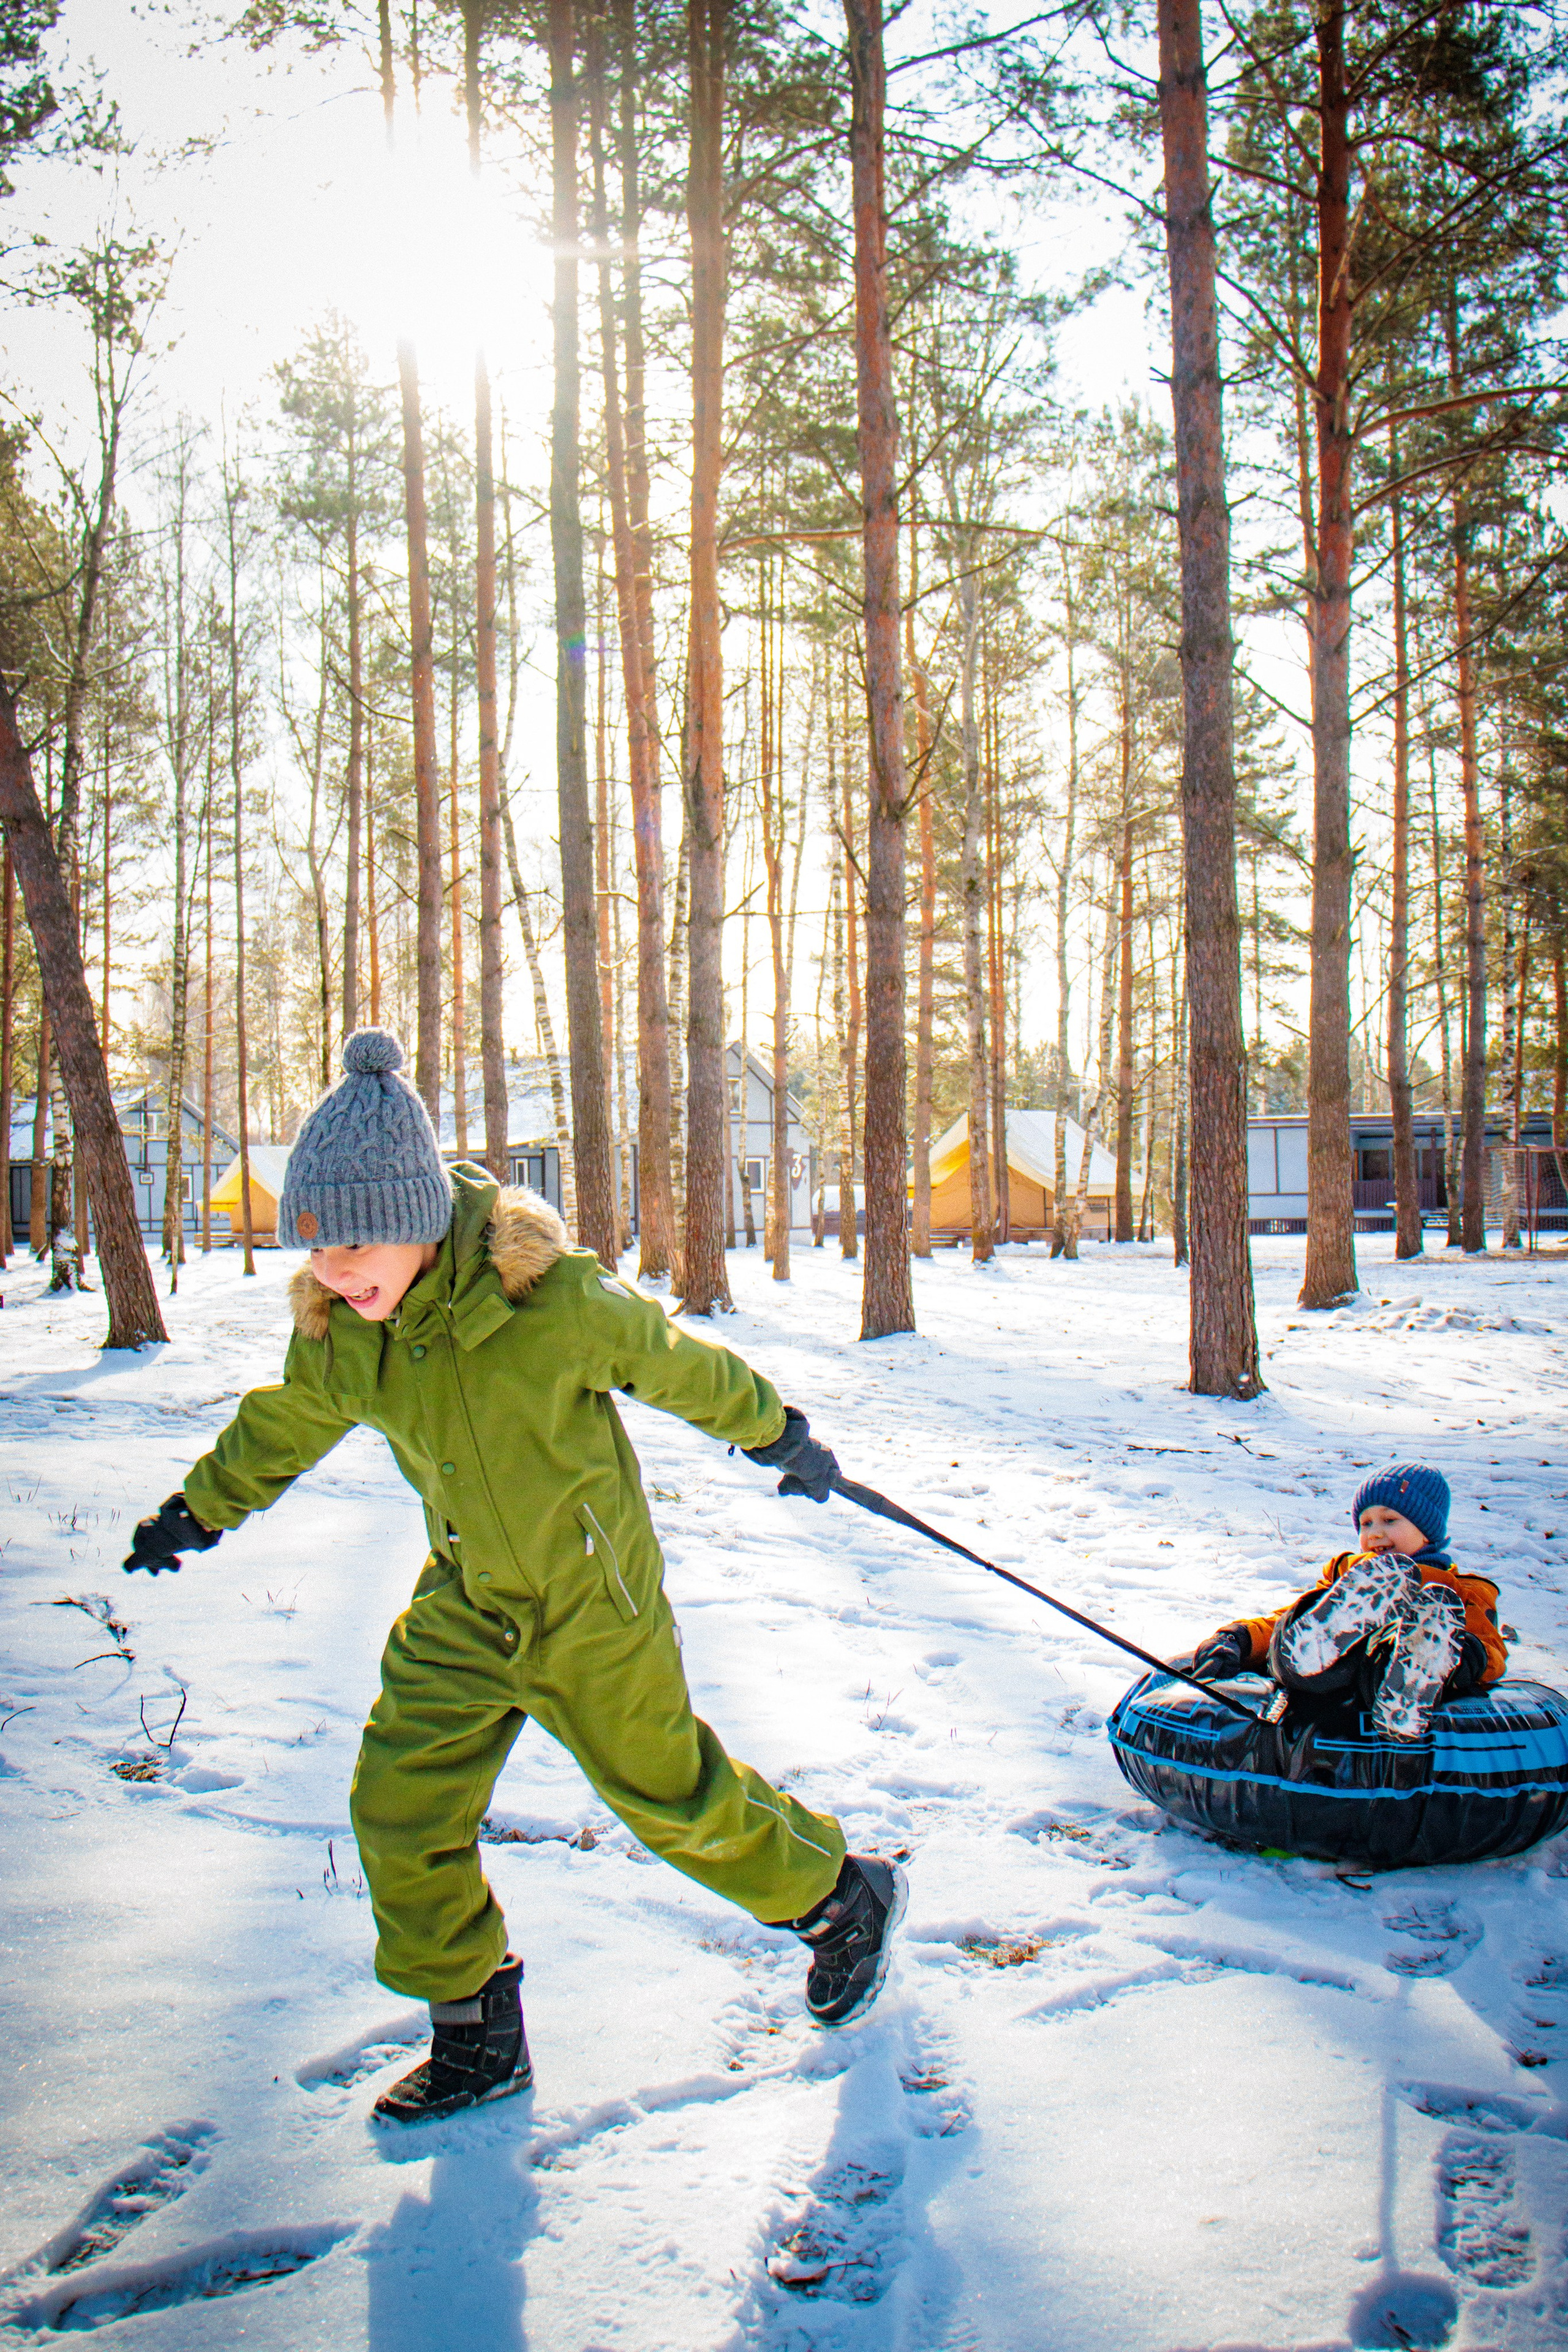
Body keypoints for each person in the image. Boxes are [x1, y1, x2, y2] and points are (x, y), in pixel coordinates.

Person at [122, 1030, 905, 2123]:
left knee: (667, 1796)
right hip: (469, 1603)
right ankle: (476, 2034)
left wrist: (777, 1434)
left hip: (592, 1601)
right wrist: (198, 1510)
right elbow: (287, 1422)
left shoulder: (549, 1301)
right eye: (314, 1251)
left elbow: (675, 1362)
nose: (333, 1271)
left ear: (414, 1224)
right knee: (398, 1804)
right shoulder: (351, 1335)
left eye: (353, 1247)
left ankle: (839, 1897)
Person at [1188, 1464, 1507, 1741]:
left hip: (1373, 1680)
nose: (1375, 1534)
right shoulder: (1348, 1572)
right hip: (1319, 1670)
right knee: (1301, 1626)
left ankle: (1417, 1668)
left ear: (1428, 1531)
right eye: (1365, 1524)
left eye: (1390, 1520)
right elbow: (1281, 1618)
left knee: (1402, 1650)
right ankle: (1332, 1630)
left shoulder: (1464, 1591)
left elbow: (1491, 1648)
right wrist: (1239, 1638)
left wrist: (1464, 1658)